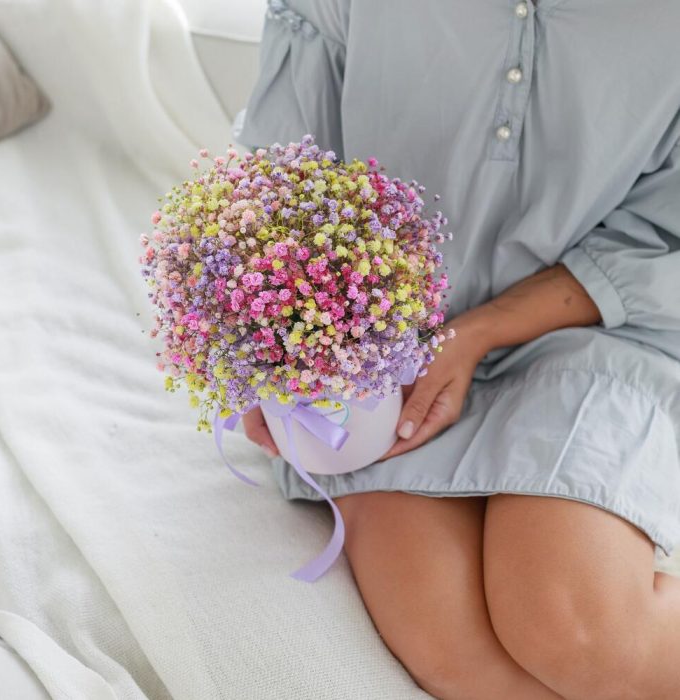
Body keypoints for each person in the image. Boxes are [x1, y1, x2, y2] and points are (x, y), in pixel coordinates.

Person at [235, 1, 680, 697]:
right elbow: (282, 178)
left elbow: (663, 237)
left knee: (574, 628)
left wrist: (479, 331)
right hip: (390, 350)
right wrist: (274, 353)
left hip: (594, 324)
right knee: (450, 645)